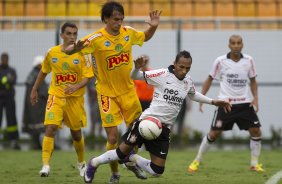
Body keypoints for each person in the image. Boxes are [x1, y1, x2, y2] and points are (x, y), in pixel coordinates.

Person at [83, 50, 232, 183]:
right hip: (146, 122)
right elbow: (136, 77)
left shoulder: (187, 81)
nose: (184, 70)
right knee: (120, 152)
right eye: (181, 66)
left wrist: (213, 101)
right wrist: (137, 68)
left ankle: (132, 158)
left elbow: (193, 95)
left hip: (164, 129)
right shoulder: (162, 74)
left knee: (157, 171)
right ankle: (94, 163)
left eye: (187, 68)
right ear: (174, 64)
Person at [64, 1, 162, 183]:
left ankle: (130, 162)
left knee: (136, 133)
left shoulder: (128, 33)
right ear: (106, 19)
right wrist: (73, 49)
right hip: (106, 94)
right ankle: (115, 172)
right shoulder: (95, 39)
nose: (119, 22)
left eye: (121, 19)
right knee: (113, 137)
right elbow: (71, 49)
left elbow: (145, 36)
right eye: (115, 19)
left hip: (128, 92)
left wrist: (154, 27)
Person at [187, 35, 265, 173]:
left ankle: (254, 164)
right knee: (213, 134)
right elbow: (210, 78)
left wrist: (256, 98)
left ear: (242, 45)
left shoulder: (249, 60)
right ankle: (197, 161)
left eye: (238, 43)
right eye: (233, 43)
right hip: (225, 104)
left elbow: (253, 80)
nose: (236, 45)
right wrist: (202, 99)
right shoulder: (220, 61)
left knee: (256, 131)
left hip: (244, 104)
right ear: (229, 45)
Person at [30, 22, 94, 177]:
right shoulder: (52, 53)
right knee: (50, 128)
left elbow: (88, 77)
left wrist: (75, 86)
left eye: (74, 34)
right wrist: (34, 89)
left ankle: (81, 162)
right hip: (56, 96)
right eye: (69, 33)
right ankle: (45, 165)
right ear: (62, 35)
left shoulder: (83, 53)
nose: (72, 37)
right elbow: (44, 72)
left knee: (76, 134)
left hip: (75, 99)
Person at [23, 55, 48, 150]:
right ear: (38, 64)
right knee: (39, 123)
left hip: (31, 103)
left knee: (34, 123)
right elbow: (42, 91)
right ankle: (38, 145)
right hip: (38, 103)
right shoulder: (38, 74)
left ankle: (36, 144)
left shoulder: (32, 73)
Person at [0, 52, 20, 150]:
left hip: (9, 98)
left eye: (6, 59)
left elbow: (13, 80)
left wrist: (6, 81)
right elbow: (7, 81)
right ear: (1, 59)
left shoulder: (12, 70)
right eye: (3, 59)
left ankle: (14, 141)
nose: (5, 61)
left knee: (11, 119)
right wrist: (5, 81)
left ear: (8, 60)